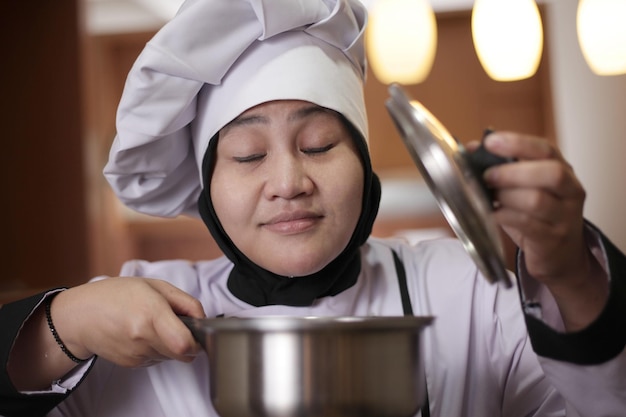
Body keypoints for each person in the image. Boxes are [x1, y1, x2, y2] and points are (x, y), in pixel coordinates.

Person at [1, 0, 625, 416]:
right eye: (246, 155)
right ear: (206, 188)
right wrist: (63, 323)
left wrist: (569, 272)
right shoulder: (136, 314)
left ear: (364, 163)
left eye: (320, 145)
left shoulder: (469, 291)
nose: (289, 181)